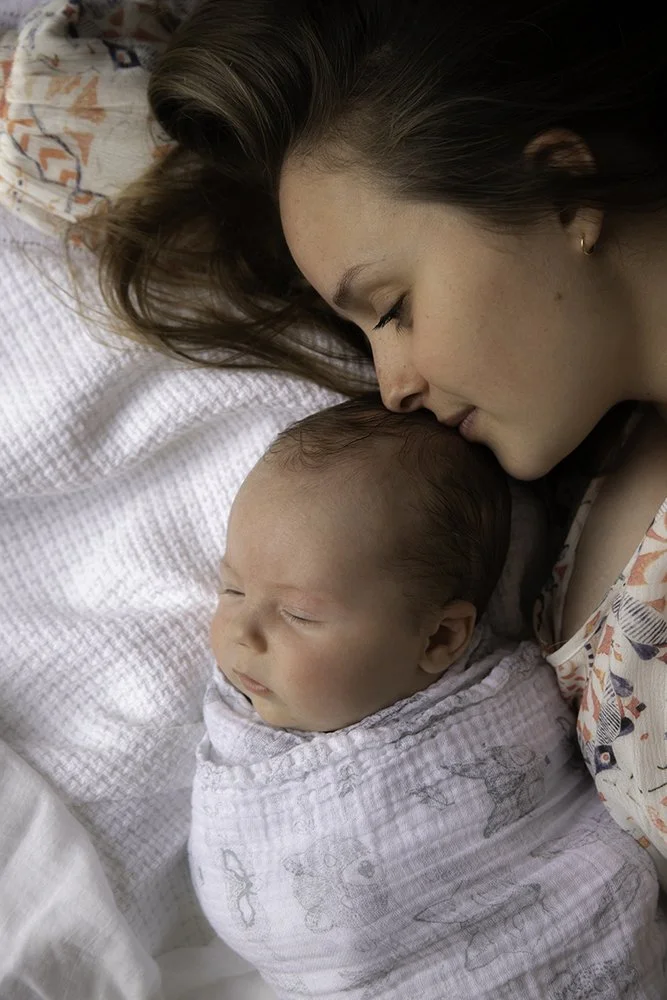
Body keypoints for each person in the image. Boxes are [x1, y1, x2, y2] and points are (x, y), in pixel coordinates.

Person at [2, 0, 666, 876]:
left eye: (392, 309)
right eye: (364, 338)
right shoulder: (568, 473)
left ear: (559, 191)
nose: (392, 387)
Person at [190, 396, 666, 999]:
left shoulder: (511, 707)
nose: (242, 632)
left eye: (298, 614)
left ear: (439, 637)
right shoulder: (241, 736)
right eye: (231, 587)